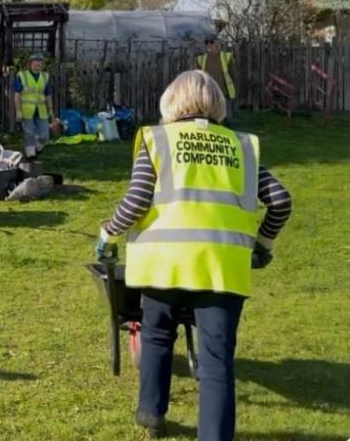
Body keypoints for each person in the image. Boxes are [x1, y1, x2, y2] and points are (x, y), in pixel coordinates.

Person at [94, 70, 292, 441]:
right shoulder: (243, 147)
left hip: (164, 264)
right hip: (222, 268)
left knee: (156, 335)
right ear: (218, 104)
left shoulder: (157, 140)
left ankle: (152, 414)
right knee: (216, 360)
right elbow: (280, 201)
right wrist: (262, 246)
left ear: (170, 102)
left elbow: (136, 201)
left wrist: (108, 232)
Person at [14, 52, 56, 159]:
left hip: (41, 110)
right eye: (35, 65)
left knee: (45, 136)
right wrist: (18, 111)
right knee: (29, 133)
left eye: (40, 65)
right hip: (27, 110)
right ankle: (30, 154)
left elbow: (48, 95)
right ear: (30, 64)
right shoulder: (22, 76)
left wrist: (50, 110)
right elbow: (17, 95)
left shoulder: (45, 76)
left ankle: (37, 148)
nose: (37, 67)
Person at [195, 35, 237, 124]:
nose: (209, 45)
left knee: (226, 118)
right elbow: (198, 77)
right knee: (208, 118)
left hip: (224, 93)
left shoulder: (227, 57)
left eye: (211, 42)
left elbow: (234, 75)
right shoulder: (200, 59)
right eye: (206, 42)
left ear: (217, 43)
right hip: (207, 93)